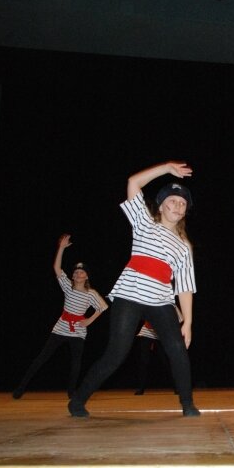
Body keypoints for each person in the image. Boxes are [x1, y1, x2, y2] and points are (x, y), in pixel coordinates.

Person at [68, 161, 199, 417]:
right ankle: (78, 400)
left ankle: (187, 403)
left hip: (161, 301)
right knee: (116, 353)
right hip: (129, 296)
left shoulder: (184, 246)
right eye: (172, 201)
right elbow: (133, 183)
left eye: (183, 204)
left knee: (177, 349)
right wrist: (166, 169)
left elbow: (184, 286)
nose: (178, 206)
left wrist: (188, 322)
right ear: (160, 205)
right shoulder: (144, 223)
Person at [13, 234, 108, 399]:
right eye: (76, 272)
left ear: (86, 276)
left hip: (78, 331)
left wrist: (89, 320)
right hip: (61, 326)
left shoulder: (91, 293)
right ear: (72, 276)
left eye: (81, 272)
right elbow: (57, 269)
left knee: (76, 363)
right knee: (41, 358)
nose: (78, 274)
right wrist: (61, 248)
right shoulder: (68, 287)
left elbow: (103, 306)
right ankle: (21, 387)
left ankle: (72, 392)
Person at [132, 309, 180, 395]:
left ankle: (177, 387)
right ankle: (140, 388)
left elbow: (179, 318)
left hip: (161, 333)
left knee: (166, 361)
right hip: (147, 331)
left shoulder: (169, 303)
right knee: (143, 360)